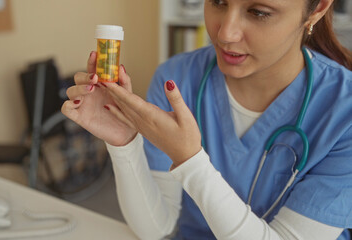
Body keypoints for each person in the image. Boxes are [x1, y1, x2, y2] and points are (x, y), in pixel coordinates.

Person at [62, 0, 352, 239]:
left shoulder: (344, 109)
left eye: (259, 12)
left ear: (317, 9)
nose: (225, 33)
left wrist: (190, 161)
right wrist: (124, 144)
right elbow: (155, 228)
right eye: (218, 2)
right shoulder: (177, 78)